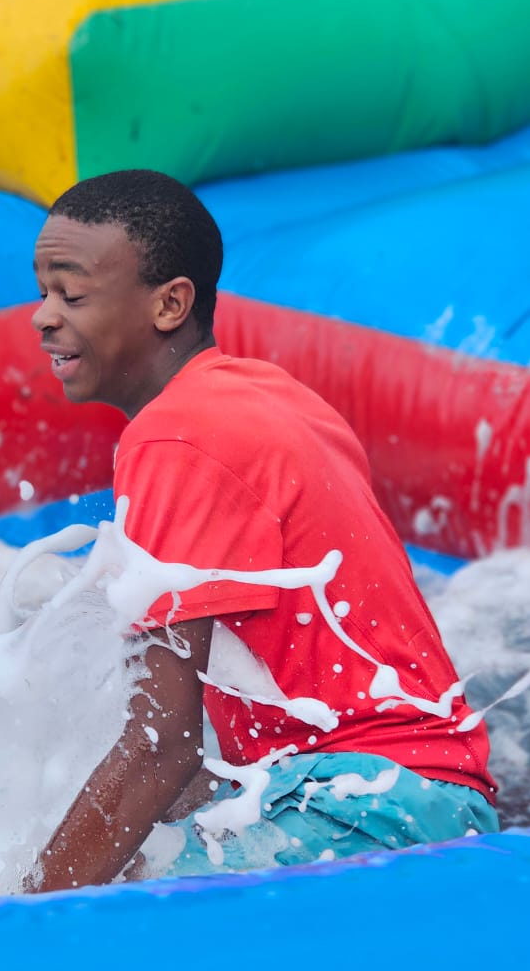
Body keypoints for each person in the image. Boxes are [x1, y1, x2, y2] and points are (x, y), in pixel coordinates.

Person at [26, 169, 499, 892]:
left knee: (97, 934)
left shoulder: (174, 437)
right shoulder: (267, 395)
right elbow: (197, 754)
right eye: (43, 292)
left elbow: (161, 745)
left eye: (72, 294)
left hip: (359, 807)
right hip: (426, 793)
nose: (42, 317)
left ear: (169, 304)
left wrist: (14, 918)